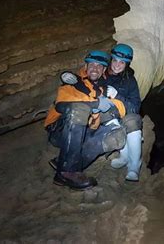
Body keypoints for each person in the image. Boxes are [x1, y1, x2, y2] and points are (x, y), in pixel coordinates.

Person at [44, 50, 127, 190]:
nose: (95, 68)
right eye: (92, 65)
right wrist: (94, 105)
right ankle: (67, 171)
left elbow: (121, 109)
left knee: (117, 135)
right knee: (80, 109)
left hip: (84, 131)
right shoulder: (73, 82)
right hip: (60, 130)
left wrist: (112, 102)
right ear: (86, 66)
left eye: (99, 66)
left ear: (104, 70)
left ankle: (63, 163)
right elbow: (62, 106)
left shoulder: (103, 89)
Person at [99, 43, 143, 182]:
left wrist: (117, 95)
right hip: (107, 115)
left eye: (122, 62)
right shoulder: (101, 75)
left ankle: (134, 165)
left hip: (124, 113)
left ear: (127, 64)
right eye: (115, 60)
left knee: (132, 122)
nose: (117, 65)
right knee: (110, 119)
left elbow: (135, 107)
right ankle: (124, 156)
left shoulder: (130, 81)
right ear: (110, 60)